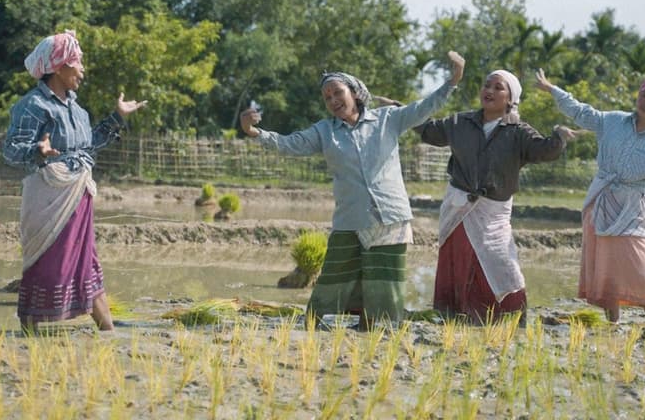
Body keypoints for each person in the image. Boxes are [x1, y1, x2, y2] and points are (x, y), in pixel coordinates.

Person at [239, 51, 465, 330]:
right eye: (327, 98)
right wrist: (255, 133)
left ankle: (379, 328)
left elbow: (423, 107)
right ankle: (316, 324)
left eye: (337, 93)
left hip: (390, 215)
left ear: (355, 92)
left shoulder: (388, 119)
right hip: (350, 217)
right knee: (336, 274)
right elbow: (291, 143)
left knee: (385, 280)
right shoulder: (324, 131)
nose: (333, 101)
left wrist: (453, 80)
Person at [535, 69, 645, 324]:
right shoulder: (613, 121)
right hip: (601, 200)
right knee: (606, 265)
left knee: (640, 267)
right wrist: (552, 89)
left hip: (632, 208)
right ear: (638, 97)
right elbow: (581, 112)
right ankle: (613, 324)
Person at [3, 30, 146, 333]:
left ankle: (107, 330)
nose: (83, 70)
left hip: (78, 195)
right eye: (78, 63)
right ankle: (29, 332)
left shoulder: (78, 111)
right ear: (60, 67)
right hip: (48, 198)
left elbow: (87, 145)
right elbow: (11, 150)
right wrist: (37, 151)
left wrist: (117, 117)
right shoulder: (33, 105)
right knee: (48, 263)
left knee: (86, 262)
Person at [417, 70, 578, 325]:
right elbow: (428, 131)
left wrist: (558, 136)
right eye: (486, 84)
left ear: (510, 97)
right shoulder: (460, 123)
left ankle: (509, 316)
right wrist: (401, 113)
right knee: (460, 258)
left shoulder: (518, 131)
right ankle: (456, 314)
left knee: (502, 260)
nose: (489, 91)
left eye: (498, 87)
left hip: (493, 211)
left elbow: (543, 150)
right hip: (458, 206)